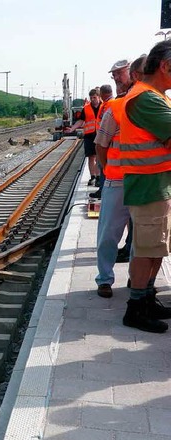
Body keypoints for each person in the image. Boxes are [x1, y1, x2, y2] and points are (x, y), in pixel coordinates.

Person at [118, 40, 171, 333]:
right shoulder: (145, 99)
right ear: (165, 66)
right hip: (148, 185)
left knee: (155, 248)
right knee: (146, 248)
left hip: (157, 183)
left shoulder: (156, 96)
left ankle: (148, 298)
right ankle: (136, 308)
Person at [93, 59, 138, 299]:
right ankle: (105, 279)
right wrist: (108, 168)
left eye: (120, 75)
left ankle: (136, 278)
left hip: (143, 182)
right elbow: (101, 144)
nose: (117, 80)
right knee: (109, 234)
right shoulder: (116, 108)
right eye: (114, 76)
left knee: (139, 236)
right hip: (118, 180)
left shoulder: (150, 105)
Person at [66, 89, 103, 187]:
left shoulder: (104, 107)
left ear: (99, 97)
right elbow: (81, 121)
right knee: (91, 157)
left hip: (101, 135)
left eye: (94, 97)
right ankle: (93, 177)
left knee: (99, 157)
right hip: (89, 136)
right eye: (91, 98)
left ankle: (99, 177)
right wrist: (72, 129)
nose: (93, 99)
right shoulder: (86, 108)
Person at [89, 84, 115, 199]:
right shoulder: (108, 104)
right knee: (102, 167)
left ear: (102, 95)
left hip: (105, 142)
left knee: (104, 167)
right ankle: (102, 190)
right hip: (103, 140)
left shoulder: (108, 105)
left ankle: (103, 190)